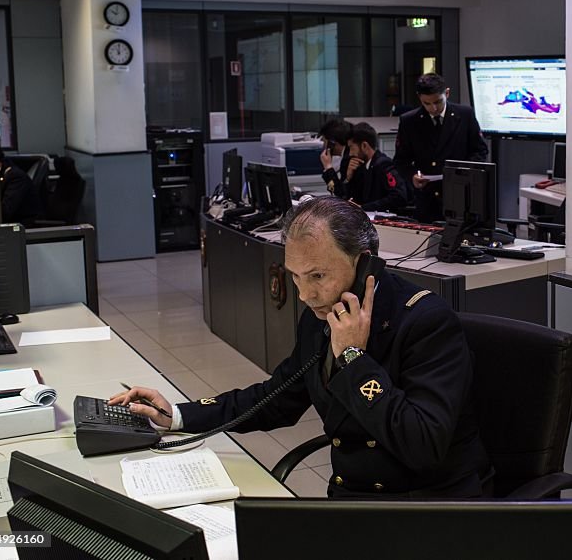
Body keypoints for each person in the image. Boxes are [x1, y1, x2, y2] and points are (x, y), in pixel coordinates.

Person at [111, 196, 491, 499]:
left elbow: (423, 444)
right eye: (296, 277)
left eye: (318, 276)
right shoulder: (321, 316)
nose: (306, 295)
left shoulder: (425, 322)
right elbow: (277, 398)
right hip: (353, 501)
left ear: (364, 267)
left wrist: (354, 358)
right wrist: (177, 415)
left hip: (427, 506)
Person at [394, 73, 488, 222]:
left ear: (447, 93)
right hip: (427, 199)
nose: (434, 108)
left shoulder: (464, 115)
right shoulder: (409, 121)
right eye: (427, 103)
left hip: (460, 195)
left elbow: (480, 151)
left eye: (438, 102)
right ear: (420, 98)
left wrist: (464, 172)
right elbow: (401, 161)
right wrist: (412, 176)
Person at [344, 122, 408, 212]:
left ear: (364, 146)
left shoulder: (383, 165)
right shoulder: (362, 167)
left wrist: (365, 208)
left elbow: (399, 196)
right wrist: (348, 178)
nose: (350, 153)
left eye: (352, 147)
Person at [318, 118, 353, 198]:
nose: (323, 146)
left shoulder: (348, 159)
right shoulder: (346, 154)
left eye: (324, 141)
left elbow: (340, 193)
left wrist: (328, 167)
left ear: (332, 143)